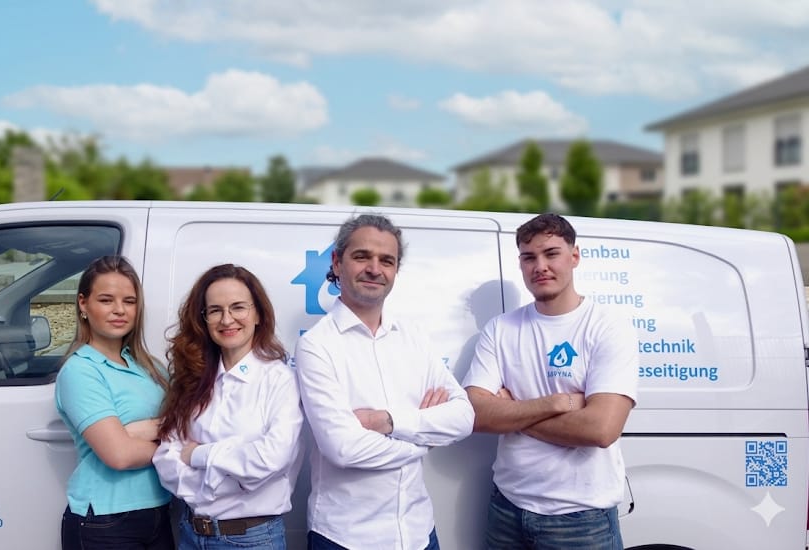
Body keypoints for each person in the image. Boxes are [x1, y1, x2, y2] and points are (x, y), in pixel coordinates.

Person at [295, 213, 475, 550]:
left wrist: (388, 422)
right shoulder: (317, 346)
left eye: (386, 260)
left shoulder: (413, 337)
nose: (375, 269)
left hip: (419, 532)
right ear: (337, 262)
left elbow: (464, 417)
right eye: (362, 256)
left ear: (395, 270)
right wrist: (427, 438)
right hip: (346, 538)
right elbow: (344, 449)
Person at [462, 213, 639, 550]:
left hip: (580, 518)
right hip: (507, 506)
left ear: (574, 256)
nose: (539, 265)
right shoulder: (501, 329)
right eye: (529, 257)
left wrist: (510, 411)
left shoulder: (607, 326)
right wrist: (556, 404)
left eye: (551, 253)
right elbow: (474, 413)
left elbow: (600, 430)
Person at [153, 264, 304, 549]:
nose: (227, 319)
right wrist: (213, 488)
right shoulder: (192, 377)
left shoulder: (279, 380)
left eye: (238, 307)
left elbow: (270, 459)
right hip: (191, 534)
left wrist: (199, 455)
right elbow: (165, 456)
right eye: (215, 310)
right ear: (203, 319)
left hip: (252, 540)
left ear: (258, 313)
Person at [55, 255, 174, 550]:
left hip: (158, 512)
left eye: (129, 301)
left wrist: (136, 431)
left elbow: (184, 427)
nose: (119, 310)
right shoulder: (80, 370)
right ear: (83, 304)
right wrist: (167, 441)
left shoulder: (152, 368)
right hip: (105, 523)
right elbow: (119, 455)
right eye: (106, 300)